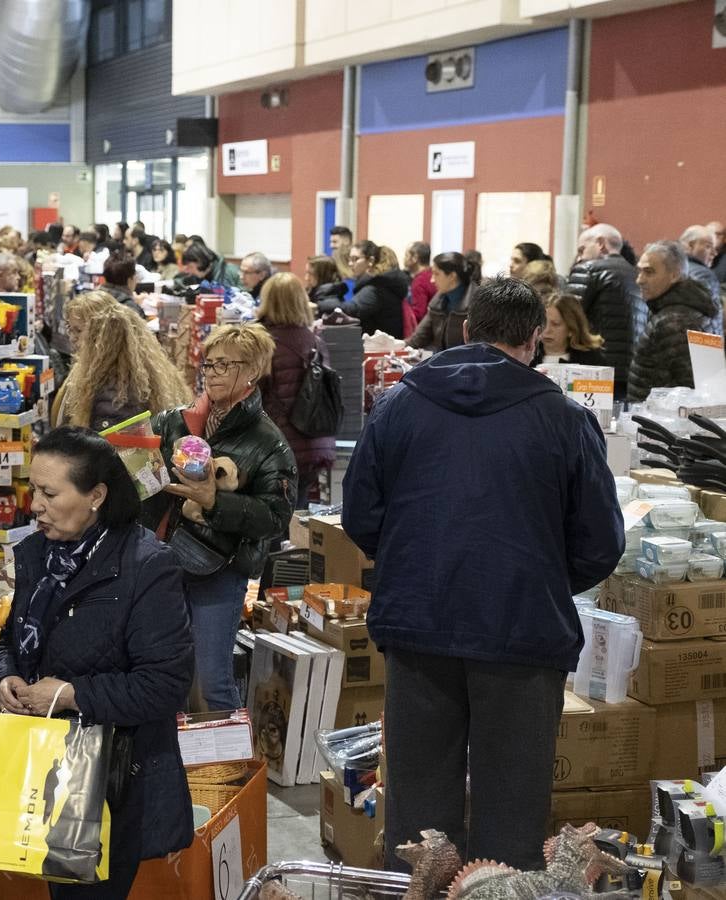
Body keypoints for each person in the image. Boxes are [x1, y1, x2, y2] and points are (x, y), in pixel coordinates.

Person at [342, 278, 623, 871]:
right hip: (522, 633)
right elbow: (601, 544)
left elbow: (361, 517)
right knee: (512, 815)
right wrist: (539, 576)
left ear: (466, 331)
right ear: (535, 338)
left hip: (418, 625)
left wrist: (415, 565)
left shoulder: (398, 405)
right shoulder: (566, 419)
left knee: (419, 815)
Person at [0, 427, 195, 900]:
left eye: (49, 493)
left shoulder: (148, 565)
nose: (34, 504)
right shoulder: (39, 552)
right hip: (44, 771)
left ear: (96, 495)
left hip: (113, 786)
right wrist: (7, 676)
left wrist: (68, 694)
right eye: (32, 489)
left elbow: (165, 685)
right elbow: (11, 639)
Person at [143, 324, 297, 711]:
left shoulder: (268, 441)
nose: (211, 372)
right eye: (208, 364)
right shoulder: (175, 421)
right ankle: (169, 765)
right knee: (164, 675)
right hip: (163, 564)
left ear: (251, 371)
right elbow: (144, 478)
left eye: (223, 364)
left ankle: (228, 769)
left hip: (219, 570)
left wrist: (215, 502)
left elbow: (275, 518)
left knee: (213, 681)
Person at [256, 274, 336, 508]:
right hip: (313, 444)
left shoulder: (262, 342)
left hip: (276, 445)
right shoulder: (315, 342)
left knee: (271, 521)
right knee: (296, 517)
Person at [53, 303, 192, 430]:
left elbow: (110, 447)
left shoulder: (111, 390)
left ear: (97, 343)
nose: (75, 339)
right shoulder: (151, 374)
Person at [628, 240, 717, 402]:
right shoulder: (680, 312)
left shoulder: (676, 321)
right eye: (639, 271)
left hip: (661, 422)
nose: (639, 280)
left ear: (675, 275)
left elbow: (689, 389)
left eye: (649, 272)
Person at [567, 223, 646, 398]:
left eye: (582, 250)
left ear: (600, 243)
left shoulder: (588, 269)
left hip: (593, 371)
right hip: (630, 375)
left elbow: (568, 316)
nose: (579, 258)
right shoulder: (637, 276)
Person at [407, 252, 479, 352]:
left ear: (452, 276)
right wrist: (396, 345)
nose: (432, 280)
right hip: (442, 362)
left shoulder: (478, 304)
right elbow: (418, 339)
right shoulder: (437, 302)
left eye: (436, 274)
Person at [345, 241, 408, 337]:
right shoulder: (380, 284)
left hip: (378, 346)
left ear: (370, 261)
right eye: (349, 259)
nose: (350, 263)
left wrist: (325, 304)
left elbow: (351, 310)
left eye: (355, 259)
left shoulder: (375, 288)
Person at [538, 293, 608, 366]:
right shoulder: (527, 355)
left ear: (571, 329)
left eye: (555, 324)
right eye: (543, 323)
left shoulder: (592, 360)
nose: (547, 330)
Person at [680, 225, 723, 331]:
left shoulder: (669, 268)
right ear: (691, 245)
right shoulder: (704, 275)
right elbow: (707, 320)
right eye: (708, 246)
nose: (714, 253)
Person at [405, 241, 436, 322]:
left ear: (415, 258)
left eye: (406, 255)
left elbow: (418, 315)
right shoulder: (434, 275)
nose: (404, 259)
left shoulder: (420, 282)